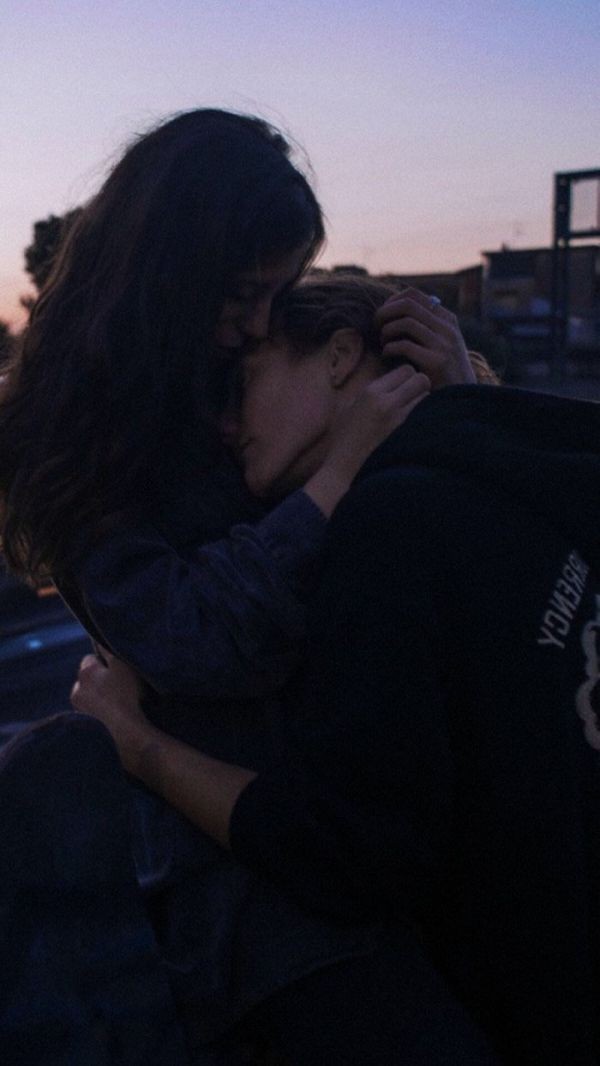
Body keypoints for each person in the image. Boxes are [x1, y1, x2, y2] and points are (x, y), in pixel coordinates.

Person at [0, 111, 479, 1063]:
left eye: (279, 294)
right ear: (166, 268)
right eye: (241, 293)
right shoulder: (76, 442)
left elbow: (410, 566)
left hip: (383, 833)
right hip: (258, 903)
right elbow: (201, 640)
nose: (260, 325)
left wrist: (456, 403)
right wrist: (338, 472)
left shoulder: (215, 374)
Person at [74, 273, 600, 1064]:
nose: (224, 425)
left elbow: (347, 852)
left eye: (242, 384)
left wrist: (136, 742)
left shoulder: (385, 529)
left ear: (341, 355)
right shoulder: (518, 470)